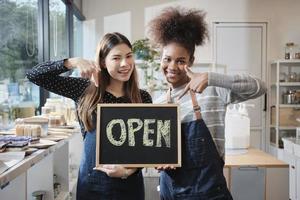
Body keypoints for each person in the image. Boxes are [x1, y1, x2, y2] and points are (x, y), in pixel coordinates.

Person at [147, 7, 266, 199]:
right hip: (170, 193)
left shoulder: (212, 91)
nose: (171, 67)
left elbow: (259, 87)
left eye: (180, 61)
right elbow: (156, 151)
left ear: (191, 61)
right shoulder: (159, 103)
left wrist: (212, 78)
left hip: (209, 193)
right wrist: (158, 160)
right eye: (167, 59)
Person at [26, 32, 152, 200]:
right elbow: (34, 75)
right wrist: (72, 62)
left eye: (129, 56)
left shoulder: (142, 98)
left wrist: (128, 170)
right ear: (102, 62)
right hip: (92, 185)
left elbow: (147, 148)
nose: (125, 63)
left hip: (129, 184)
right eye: (116, 58)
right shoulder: (84, 89)